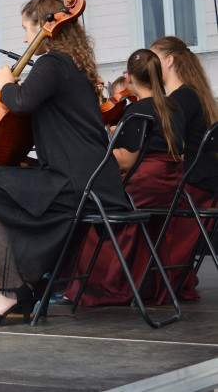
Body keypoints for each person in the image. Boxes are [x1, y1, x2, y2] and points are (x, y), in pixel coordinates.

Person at [0, 0, 126, 325]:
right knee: (1, 188)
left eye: (26, 27)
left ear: (45, 25)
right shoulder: (71, 65)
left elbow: (20, 103)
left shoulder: (52, 63)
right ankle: (22, 285)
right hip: (92, 182)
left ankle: (11, 286)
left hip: (75, 184)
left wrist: (6, 83)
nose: (24, 38)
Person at [63, 49, 184, 306]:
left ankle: (97, 287)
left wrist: (97, 149)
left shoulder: (138, 111)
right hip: (171, 184)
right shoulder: (174, 106)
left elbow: (127, 160)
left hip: (144, 185)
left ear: (128, 78)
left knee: (94, 215)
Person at [151, 35, 218, 296]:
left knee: (142, 206)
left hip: (192, 186)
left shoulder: (181, 98)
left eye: (154, 59)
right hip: (205, 183)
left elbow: (171, 145)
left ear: (169, 61)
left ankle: (151, 283)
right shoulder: (194, 94)